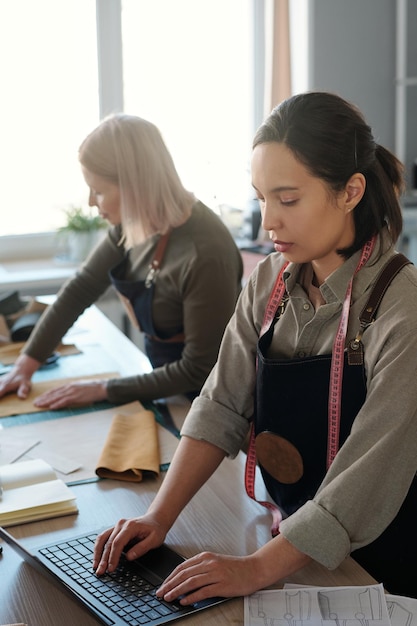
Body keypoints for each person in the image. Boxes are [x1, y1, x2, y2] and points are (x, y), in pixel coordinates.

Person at [92, 92, 417, 601]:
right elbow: (220, 403)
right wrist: (158, 516)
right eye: (261, 198)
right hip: (290, 542)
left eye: (288, 199)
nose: (269, 221)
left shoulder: (403, 308)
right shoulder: (271, 280)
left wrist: (255, 570)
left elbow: (366, 476)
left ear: (352, 190)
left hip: (382, 563)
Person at [0, 114, 243, 406]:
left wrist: (104, 389)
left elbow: (199, 369)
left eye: (99, 191)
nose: (91, 203)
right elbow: (81, 289)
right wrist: (25, 365)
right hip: (168, 388)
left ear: (134, 186)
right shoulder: (131, 224)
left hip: (210, 401)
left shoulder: (205, 254)